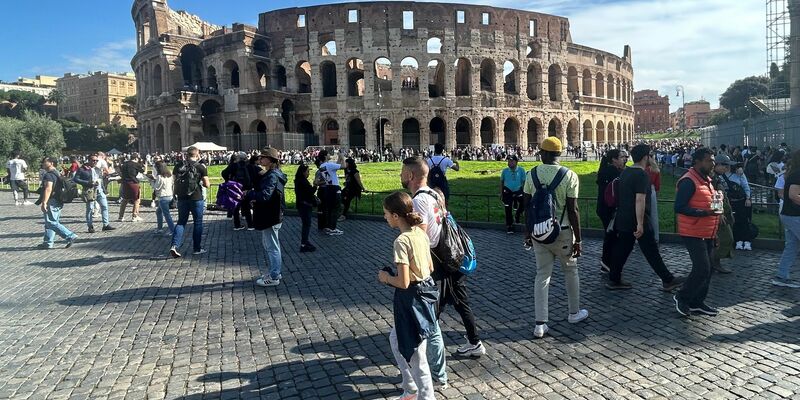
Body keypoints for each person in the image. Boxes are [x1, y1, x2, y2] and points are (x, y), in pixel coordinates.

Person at [523, 137, 588, 338]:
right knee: (571, 271)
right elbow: (573, 209)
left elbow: (527, 207)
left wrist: (528, 232)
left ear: (543, 153)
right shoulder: (570, 175)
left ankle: (540, 324)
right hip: (563, 231)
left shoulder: (531, 174)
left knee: (542, 275)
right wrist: (578, 239)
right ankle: (574, 313)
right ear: (559, 154)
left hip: (539, 231)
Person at [378, 191, 438, 400]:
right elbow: (430, 267)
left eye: (386, 213)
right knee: (396, 339)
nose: (385, 217)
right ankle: (410, 386)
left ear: (396, 216)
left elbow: (403, 282)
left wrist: (386, 277)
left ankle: (426, 396)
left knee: (416, 353)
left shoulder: (401, 241)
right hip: (425, 293)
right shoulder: (421, 234)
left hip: (411, 299)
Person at [607, 144, 685, 291]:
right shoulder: (642, 175)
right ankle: (668, 280)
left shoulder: (626, 172)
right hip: (638, 219)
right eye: (650, 155)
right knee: (651, 250)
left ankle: (614, 279)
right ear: (645, 157)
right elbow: (640, 199)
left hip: (623, 218)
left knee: (623, 249)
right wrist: (640, 224)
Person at [400, 157, 450, 388]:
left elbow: (419, 238)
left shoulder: (419, 200)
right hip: (438, 259)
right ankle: (435, 373)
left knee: (428, 323)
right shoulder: (433, 194)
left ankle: (434, 375)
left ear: (411, 175)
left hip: (426, 265)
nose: (400, 175)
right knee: (431, 321)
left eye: (402, 172)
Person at [673, 148, 722, 317]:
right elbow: (679, 207)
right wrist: (704, 213)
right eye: (709, 161)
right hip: (693, 232)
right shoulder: (688, 181)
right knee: (702, 268)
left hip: (707, 231)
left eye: (713, 160)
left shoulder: (707, 181)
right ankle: (682, 296)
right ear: (697, 162)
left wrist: (715, 232)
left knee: (708, 269)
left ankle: (697, 302)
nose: (713, 164)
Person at [249, 148, 287, 287]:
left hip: (271, 215)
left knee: (272, 247)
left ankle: (274, 276)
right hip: (272, 213)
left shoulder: (272, 176)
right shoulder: (273, 174)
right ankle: (275, 271)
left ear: (270, 160)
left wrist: (250, 194)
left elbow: (265, 195)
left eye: (263, 157)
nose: (260, 159)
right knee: (270, 245)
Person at [169, 146, 210, 258]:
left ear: (187, 154)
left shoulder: (178, 166)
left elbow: (174, 180)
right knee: (198, 222)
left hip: (182, 197)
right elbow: (207, 184)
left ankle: (174, 245)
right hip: (196, 197)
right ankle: (197, 248)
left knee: (181, 222)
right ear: (197, 154)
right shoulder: (201, 167)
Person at [596, 149, 628, 272]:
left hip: (604, 208)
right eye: (621, 157)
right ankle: (607, 262)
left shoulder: (607, 170)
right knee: (611, 235)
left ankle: (607, 262)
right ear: (614, 160)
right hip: (609, 209)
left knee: (611, 234)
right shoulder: (612, 172)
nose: (624, 159)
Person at [36, 157, 77, 249]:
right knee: (52, 222)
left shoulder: (49, 175)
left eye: (45, 162)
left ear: (51, 163)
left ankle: (70, 236)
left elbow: (48, 188)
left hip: (52, 200)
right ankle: (48, 243)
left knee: (51, 222)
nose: (42, 163)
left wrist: (44, 202)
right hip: (59, 199)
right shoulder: (58, 173)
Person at [774, 150, 800, 288]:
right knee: (791, 246)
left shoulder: (793, 173)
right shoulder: (797, 174)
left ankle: (781, 275)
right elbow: (794, 195)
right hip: (794, 215)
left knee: (792, 246)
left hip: (789, 215)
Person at [72, 155, 115, 233]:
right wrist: (88, 183)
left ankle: (106, 225)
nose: (95, 162)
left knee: (104, 206)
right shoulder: (82, 169)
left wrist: (104, 190)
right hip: (90, 191)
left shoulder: (97, 169)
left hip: (99, 190)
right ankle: (90, 226)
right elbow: (75, 179)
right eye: (93, 160)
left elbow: (100, 180)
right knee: (90, 209)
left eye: (96, 160)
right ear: (88, 160)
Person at [711, 155, 735, 274]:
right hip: (717, 214)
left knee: (723, 239)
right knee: (725, 238)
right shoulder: (713, 178)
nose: (727, 168)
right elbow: (714, 195)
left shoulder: (717, 177)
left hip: (721, 211)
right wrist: (718, 213)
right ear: (717, 165)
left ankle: (714, 263)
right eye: (725, 165)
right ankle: (714, 263)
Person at [723, 164, 754, 251]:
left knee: (745, 220)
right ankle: (738, 240)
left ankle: (747, 240)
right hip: (729, 201)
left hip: (741, 200)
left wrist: (748, 198)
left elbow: (745, 186)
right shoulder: (721, 175)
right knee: (734, 221)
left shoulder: (739, 174)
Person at [221, 152, 254, 230]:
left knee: (235, 207)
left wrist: (229, 180)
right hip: (246, 189)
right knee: (246, 207)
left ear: (238, 158)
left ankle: (237, 225)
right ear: (246, 158)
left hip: (235, 188)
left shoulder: (233, 165)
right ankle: (250, 225)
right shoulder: (249, 165)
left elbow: (224, 173)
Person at [317, 150, 345, 236]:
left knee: (330, 208)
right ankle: (333, 228)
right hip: (335, 187)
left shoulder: (322, 166)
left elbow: (335, 168)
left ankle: (329, 227)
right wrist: (342, 157)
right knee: (336, 208)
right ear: (325, 156)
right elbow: (344, 166)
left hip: (328, 187)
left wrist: (339, 158)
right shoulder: (329, 165)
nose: (330, 155)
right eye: (328, 154)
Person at [294, 163, 317, 253]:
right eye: (307, 171)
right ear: (303, 172)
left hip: (302, 205)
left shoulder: (298, 180)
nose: (308, 173)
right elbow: (310, 192)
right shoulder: (303, 181)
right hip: (305, 205)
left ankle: (305, 242)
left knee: (306, 224)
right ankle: (304, 244)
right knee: (306, 225)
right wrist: (315, 185)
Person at [500, 155, 526, 234]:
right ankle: (509, 226)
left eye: (511, 161)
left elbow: (524, 182)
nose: (509, 163)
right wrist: (501, 193)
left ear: (516, 162)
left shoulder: (521, 170)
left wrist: (524, 192)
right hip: (507, 191)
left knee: (523, 204)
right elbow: (502, 182)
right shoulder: (505, 171)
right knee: (508, 209)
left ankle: (517, 214)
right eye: (508, 161)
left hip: (518, 191)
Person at [148, 161, 175, 235]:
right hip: (169, 195)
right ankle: (159, 229)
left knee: (167, 215)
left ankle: (172, 230)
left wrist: (151, 181)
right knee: (158, 212)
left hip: (163, 197)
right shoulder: (169, 175)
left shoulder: (160, 176)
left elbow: (156, 187)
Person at [117, 153, 145, 222]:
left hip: (125, 183)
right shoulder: (136, 164)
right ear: (136, 158)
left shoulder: (124, 164)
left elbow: (120, 172)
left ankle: (121, 216)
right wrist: (146, 166)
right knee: (136, 200)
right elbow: (143, 172)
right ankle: (134, 216)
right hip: (133, 183)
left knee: (125, 200)